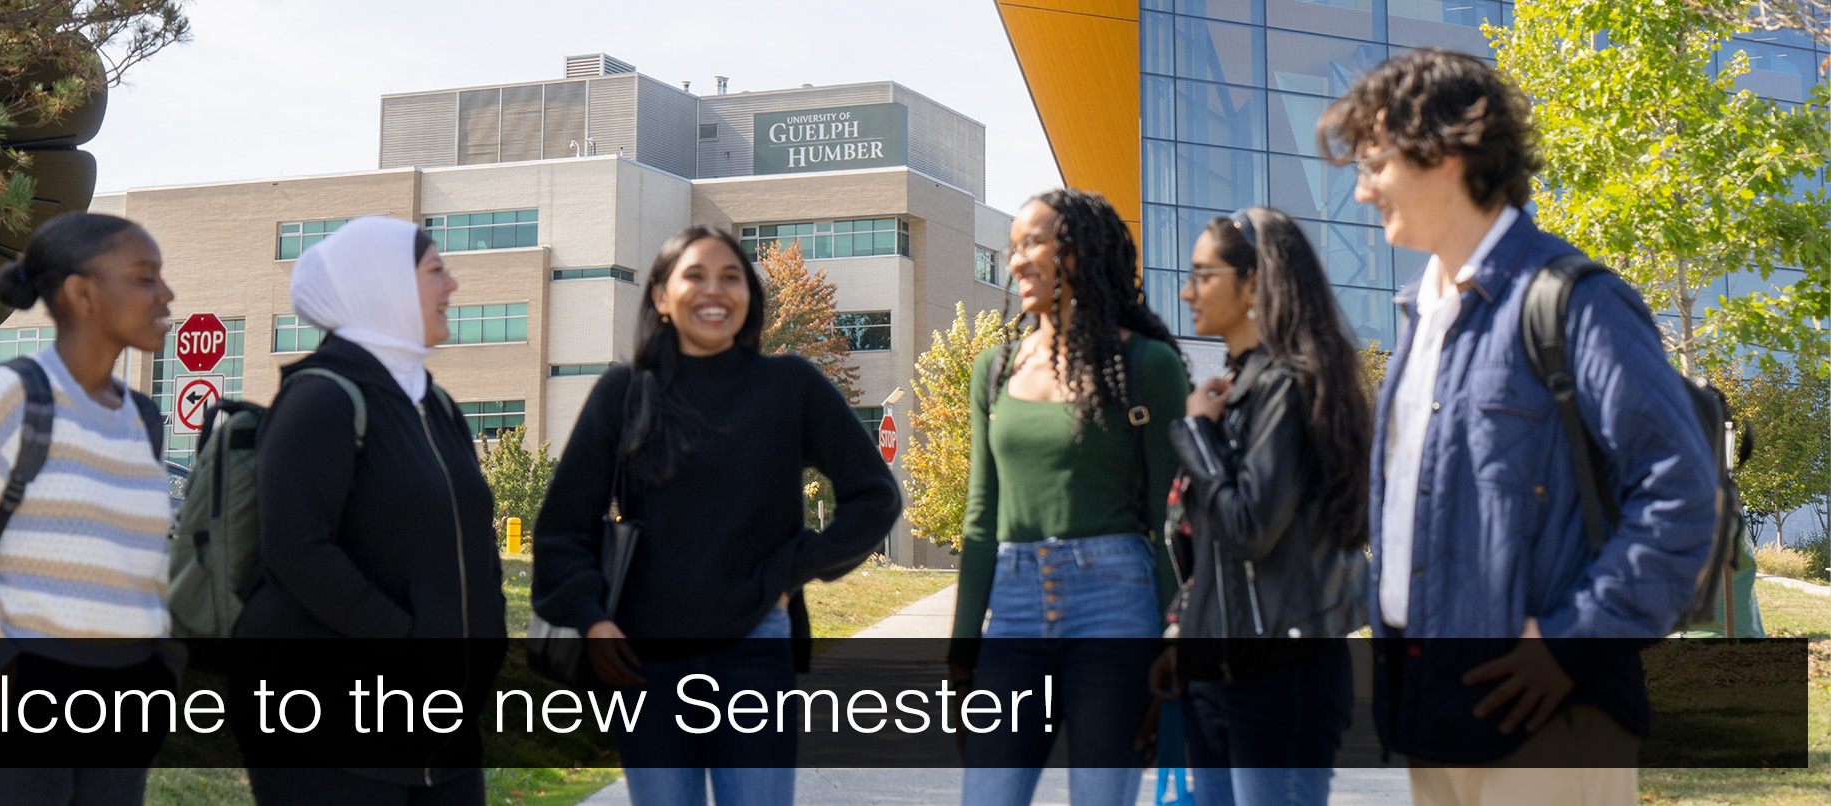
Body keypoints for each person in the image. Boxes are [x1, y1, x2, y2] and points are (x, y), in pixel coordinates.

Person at [1316, 49, 1718, 802]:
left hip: (1548, 725)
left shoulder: (1574, 302)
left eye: (1376, 163)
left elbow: (1682, 495)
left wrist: (1574, 644)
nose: (1364, 190)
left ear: (1445, 153)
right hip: (1430, 714)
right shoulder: (1419, 317)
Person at [532, 225, 901, 806]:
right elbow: (562, 529)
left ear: (749, 297)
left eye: (732, 277)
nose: (716, 290)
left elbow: (874, 496)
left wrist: (791, 571)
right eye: (695, 275)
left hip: (755, 642)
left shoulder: (789, 385)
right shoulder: (623, 392)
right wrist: (592, 619)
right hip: (643, 657)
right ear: (660, 296)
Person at [0, 212, 178, 804]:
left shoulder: (142, 420)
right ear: (82, 293)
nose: (166, 295)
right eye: (145, 277)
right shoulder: (7, 398)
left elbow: (140, 565)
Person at [234, 216, 507, 804]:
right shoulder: (322, 399)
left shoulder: (433, 403)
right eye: (435, 270)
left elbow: (470, 540)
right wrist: (409, 644)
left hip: (440, 729)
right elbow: (296, 551)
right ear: (380, 285)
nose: (452, 286)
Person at [950, 188, 1190, 806]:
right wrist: (962, 651)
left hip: (1115, 603)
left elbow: (1169, 522)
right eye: (1012, 247)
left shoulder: (1147, 365)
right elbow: (980, 519)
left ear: (1081, 251)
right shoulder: (994, 369)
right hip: (1014, 606)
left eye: (1033, 242)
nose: (1016, 262)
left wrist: (1175, 640)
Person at [1149, 207, 1371, 806]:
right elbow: (1213, 547)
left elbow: (1250, 527)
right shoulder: (1238, 390)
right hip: (1220, 670)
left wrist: (1196, 436)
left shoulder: (1288, 386)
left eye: (1203, 274)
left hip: (1279, 676)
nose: (1187, 289)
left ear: (1253, 284)